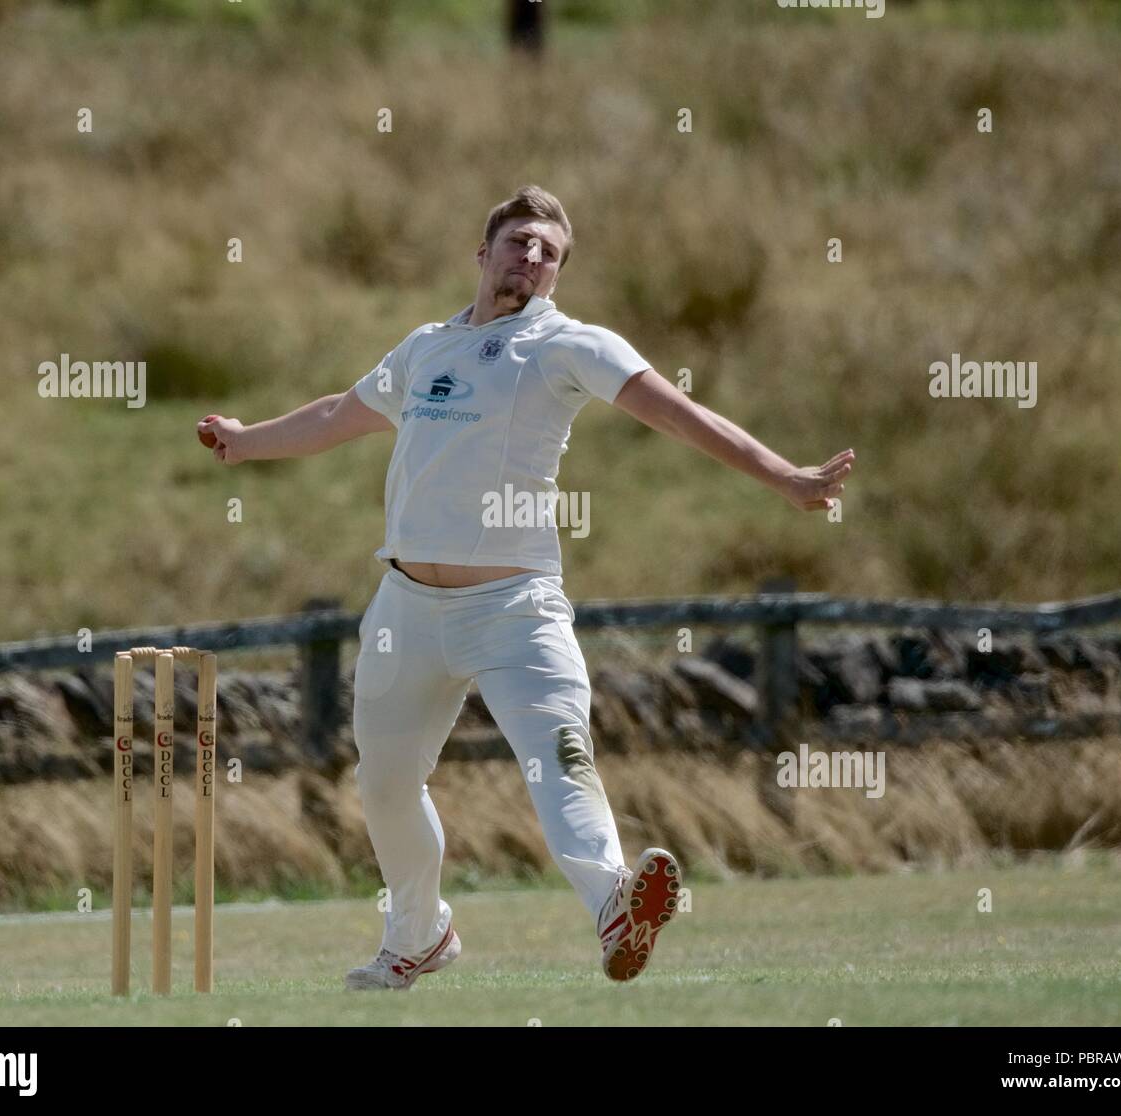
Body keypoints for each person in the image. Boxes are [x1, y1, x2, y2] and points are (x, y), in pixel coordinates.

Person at [198, 185, 854, 989]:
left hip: (516, 606)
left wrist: (784, 476)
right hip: (405, 605)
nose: (533, 258)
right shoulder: (424, 348)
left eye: (549, 252)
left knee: (558, 757)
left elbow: (677, 413)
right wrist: (243, 442)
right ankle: (417, 935)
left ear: (557, 275)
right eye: (519, 242)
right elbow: (339, 413)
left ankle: (615, 902)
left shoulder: (569, 346)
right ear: (483, 254)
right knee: (386, 782)